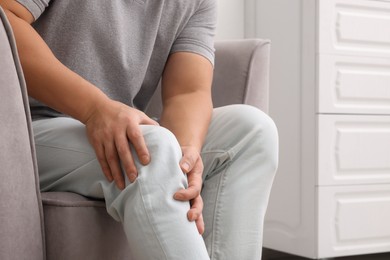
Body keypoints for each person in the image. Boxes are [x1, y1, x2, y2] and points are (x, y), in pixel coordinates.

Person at [1, 0, 278, 259]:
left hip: (113, 125)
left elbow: (188, 91)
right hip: (24, 129)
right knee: (148, 148)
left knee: (251, 131)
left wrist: (186, 156)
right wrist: (95, 108)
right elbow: (6, 19)